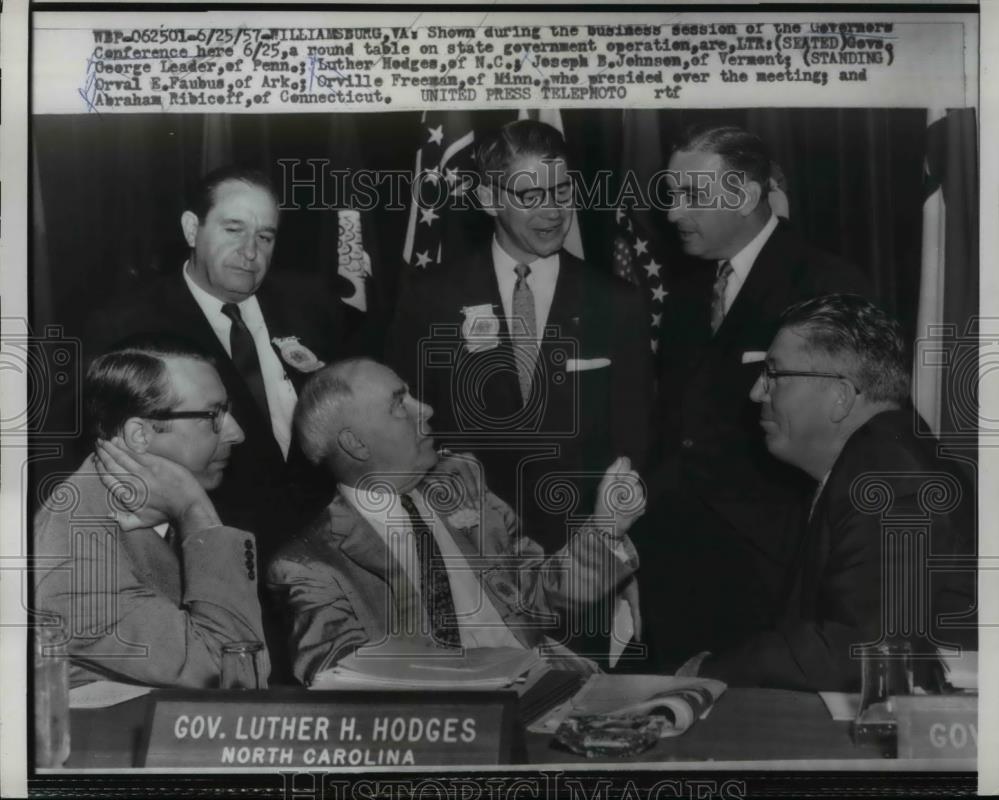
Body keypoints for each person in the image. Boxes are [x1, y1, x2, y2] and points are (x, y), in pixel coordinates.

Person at [386, 120, 652, 665]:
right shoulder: (430, 299)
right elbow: (407, 433)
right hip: (469, 567)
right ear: (488, 197)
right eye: (531, 195)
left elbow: (636, 445)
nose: (552, 212)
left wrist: (619, 557)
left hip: (582, 570)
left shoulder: (617, 304)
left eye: (562, 192)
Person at [640, 125, 872, 668]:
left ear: (744, 195)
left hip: (774, 570)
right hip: (674, 567)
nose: (673, 213)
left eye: (691, 196)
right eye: (671, 196)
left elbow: (849, 440)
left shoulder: (824, 283)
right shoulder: (687, 292)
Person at [266, 358, 645, 685]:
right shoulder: (309, 566)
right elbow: (342, 683)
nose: (425, 408)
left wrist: (606, 528)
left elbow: (538, 598)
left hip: (549, 686)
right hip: (450, 729)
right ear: (356, 444)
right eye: (400, 404)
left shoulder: (461, 482)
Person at [679, 295, 976, 691]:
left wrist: (709, 673)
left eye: (773, 374)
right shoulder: (880, 456)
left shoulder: (888, 474)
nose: (756, 392)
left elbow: (863, 649)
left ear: (839, 395)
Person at [85, 165, 362, 562]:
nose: (251, 253)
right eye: (233, 230)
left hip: (331, 544)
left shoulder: (312, 303)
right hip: (209, 551)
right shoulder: (127, 324)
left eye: (265, 236)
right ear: (192, 230)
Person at [34, 336, 269, 688]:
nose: (237, 432)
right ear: (139, 435)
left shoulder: (148, 501)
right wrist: (196, 512)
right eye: (213, 415)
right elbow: (234, 676)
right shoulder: (74, 562)